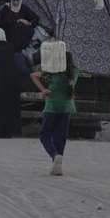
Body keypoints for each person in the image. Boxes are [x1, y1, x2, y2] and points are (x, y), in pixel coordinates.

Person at [30, 43, 78, 176]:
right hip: (67, 107)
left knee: (44, 135)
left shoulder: (51, 71)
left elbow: (33, 75)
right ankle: (58, 166)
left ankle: (54, 155)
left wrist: (43, 90)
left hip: (52, 106)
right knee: (60, 137)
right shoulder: (73, 72)